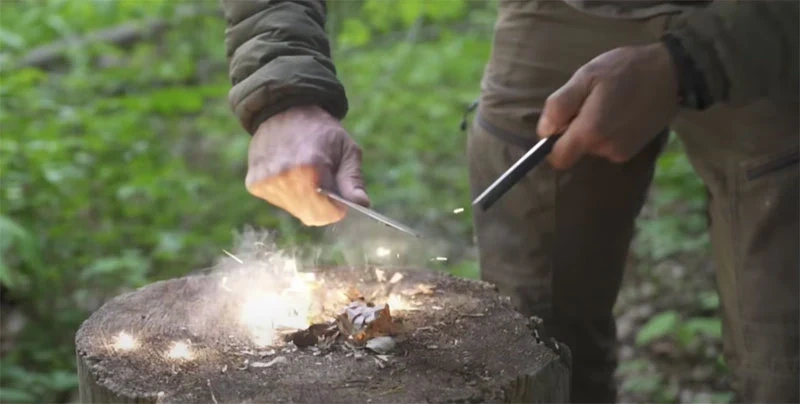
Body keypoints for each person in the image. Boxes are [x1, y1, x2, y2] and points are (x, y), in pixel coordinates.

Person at [221, 0, 799, 402]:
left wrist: (694, 60)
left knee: (781, 357)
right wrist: (282, 94)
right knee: (536, 339)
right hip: (558, 12)